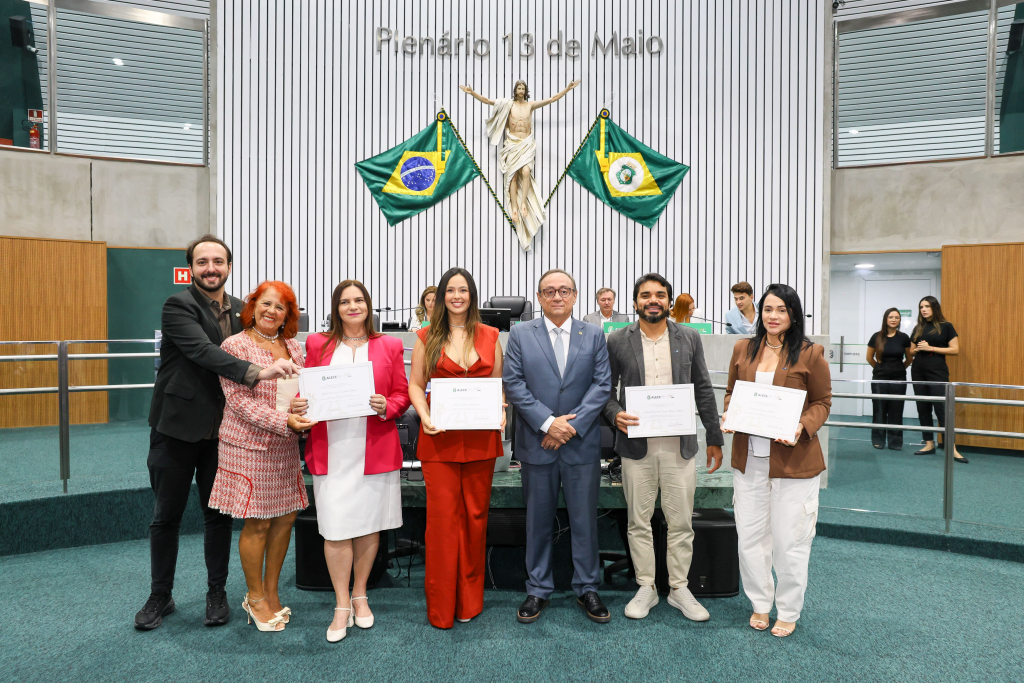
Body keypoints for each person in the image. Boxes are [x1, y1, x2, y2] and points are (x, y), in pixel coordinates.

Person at [135, 234, 300, 631]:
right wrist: (259, 371)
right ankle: (161, 594)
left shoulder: (247, 310)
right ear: (191, 267)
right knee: (166, 515)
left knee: (219, 517)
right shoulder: (178, 305)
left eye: (218, 261)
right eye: (203, 261)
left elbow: (272, 341)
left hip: (225, 434)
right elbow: (203, 352)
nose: (211, 268)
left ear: (229, 266)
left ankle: (217, 593)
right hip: (176, 426)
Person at [603, 273, 725, 621]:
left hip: (679, 446)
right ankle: (646, 587)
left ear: (669, 302)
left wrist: (714, 436)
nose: (652, 300)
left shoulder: (688, 337)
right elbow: (604, 390)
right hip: (635, 447)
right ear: (635, 301)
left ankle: (678, 588)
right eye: (645, 295)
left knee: (680, 521)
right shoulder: (617, 340)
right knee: (637, 521)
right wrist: (615, 414)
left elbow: (702, 387)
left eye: (660, 295)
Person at [294, 279, 411, 642]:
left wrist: (386, 407)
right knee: (335, 526)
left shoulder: (389, 344)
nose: (353, 306)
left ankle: (360, 593)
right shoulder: (316, 342)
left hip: (373, 447)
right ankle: (341, 603)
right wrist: (299, 402)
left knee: (368, 524)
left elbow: (402, 393)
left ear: (368, 305)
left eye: (359, 300)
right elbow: (305, 387)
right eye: (345, 301)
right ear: (336, 308)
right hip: (333, 449)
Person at [721, 283, 832, 638]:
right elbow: (731, 393)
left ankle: (788, 609)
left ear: (794, 314)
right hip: (749, 460)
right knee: (751, 538)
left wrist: (802, 426)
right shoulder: (742, 347)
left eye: (781, 310)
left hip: (793, 463)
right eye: (768, 309)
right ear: (759, 311)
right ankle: (760, 603)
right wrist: (729, 415)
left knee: (790, 541)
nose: (773, 316)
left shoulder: (810, 353)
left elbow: (823, 402)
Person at [503, 269, 612, 624]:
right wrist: (550, 423)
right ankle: (537, 588)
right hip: (539, 443)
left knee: (584, 521)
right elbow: (514, 384)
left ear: (576, 295)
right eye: (549, 291)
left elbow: (602, 386)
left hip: (580, 445)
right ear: (539, 297)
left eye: (564, 290)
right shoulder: (520, 334)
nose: (557, 297)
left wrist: (569, 427)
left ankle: (587, 587)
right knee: (537, 521)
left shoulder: (594, 334)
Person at [207, 280, 314, 632]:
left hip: (285, 447)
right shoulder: (233, 345)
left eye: (280, 307)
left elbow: (300, 393)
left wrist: (302, 408)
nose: (271, 311)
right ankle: (254, 598)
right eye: (265, 304)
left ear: (288, 315)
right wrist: (286, 419)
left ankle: (270, 591)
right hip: (248, 447)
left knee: (285, 519)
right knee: (259, 522)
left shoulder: (295, 348)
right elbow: (238, 403)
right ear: (252, 307)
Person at [408, 267, 506, 629]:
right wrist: (424, 414)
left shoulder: (490, 335)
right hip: (439, 439)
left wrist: (501, 410)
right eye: (451, 290)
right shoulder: (426, 336)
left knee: (476, 520)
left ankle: (468, 602)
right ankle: (441, 607)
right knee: (443, 524)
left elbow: (497, 385)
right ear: (442, 295)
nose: (457, 296)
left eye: (463, 290)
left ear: (472, 295)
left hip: (480, 439)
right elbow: (416, 385)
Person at [910, 296, 966, 462]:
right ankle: (929, 443)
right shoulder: (918, 327)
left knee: (941, 408)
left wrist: (930, 348)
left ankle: (952, 448)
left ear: (934, 308)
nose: (924, 309)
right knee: (923, 407)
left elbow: (955, 349)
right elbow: (911, 351)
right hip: (918, 370)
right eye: (921, 307)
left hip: (937, 371)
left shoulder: (946, 326)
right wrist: (918, 349)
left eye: (927, 306)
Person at [866, 308, 912, 451]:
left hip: (899, 379)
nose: (894, 320)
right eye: (891, 317)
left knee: (896, 410)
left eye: (897, 317)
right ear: (885, 319)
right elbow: (869, 357)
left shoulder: (904, 337)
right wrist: (880, 369)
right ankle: (878, 439)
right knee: (879, 410)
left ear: (899, 320)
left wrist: (898, 369)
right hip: (880, 379)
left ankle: (895, 441)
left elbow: (909, 359)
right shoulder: (876, 337)